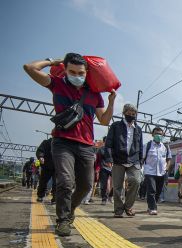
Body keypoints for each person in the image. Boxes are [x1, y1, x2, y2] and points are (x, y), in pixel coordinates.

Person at [23, 53, 115, 236]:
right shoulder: (56, 84)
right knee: (65, 182)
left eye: (80, 72)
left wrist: (111, 103)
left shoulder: (94, 94)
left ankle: (70, 209)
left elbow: (104, 121)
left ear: (86, 72)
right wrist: (53, 62)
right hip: (62, 142)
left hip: (86, 146)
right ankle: (63, 220)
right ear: (65, 70)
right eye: (71, 71)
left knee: (86, 185)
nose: (76, 75)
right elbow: (29, 68)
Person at [105, 104, 144, 217]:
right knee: (117, 186)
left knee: (136, 181)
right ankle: (118, 209)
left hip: (134, 160)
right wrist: (109, 157)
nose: (131, 116)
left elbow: (140, 146)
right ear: (124, 113)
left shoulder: (138, 129)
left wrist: (140, 161)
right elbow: (109, 143)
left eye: (133, 114)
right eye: (129, 113)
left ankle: (128, 206)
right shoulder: (116, 126)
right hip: (118, 159)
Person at [142, 127, 171, 215]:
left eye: (160, 134)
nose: (158, 135)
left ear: (162, 135)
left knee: (158, 191)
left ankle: (150, 206)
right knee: (152, 190)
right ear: (153, 134)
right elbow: (142, 158)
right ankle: (153, 208)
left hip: (161, 172)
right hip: (149, 171)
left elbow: (169, 159)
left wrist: (167, 168)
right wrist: (142, 170)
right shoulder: (147, 145)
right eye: (156, 133)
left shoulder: (165, 146)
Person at [36, 137, 56, 203]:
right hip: (46, 166)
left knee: (57, 183)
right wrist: (41, 156)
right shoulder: (46, 142)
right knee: (43, 182)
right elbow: (40, 150)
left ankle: (55, 197)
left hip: (57, 167)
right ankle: (40, 196)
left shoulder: (63, 143)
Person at [96, 137, 114, 205]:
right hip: (103, 168)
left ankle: (110, 196)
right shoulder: (101, 149)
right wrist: (97, 169)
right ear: (104, 141)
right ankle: (104, 198)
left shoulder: (114, 149)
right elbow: (97, 160)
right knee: (104, 185)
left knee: (117, 183)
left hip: (113, 168)